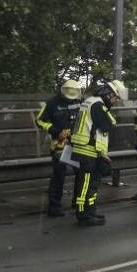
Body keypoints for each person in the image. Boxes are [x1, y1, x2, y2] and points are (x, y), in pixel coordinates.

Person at [70, 80, 127, 226]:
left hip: (90, 150)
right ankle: (83, 216)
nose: (115, 101)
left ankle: (90, 212)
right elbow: (107, 125)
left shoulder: (91, 102)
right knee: (86, 186)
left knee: (92, 184)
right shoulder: (97, 105)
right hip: (86, 150)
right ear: (108, 95)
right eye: (116, 98)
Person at [35, 79, 84, 217]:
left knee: (81, 172)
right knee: (59, 175)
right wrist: (56, 131)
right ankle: (54, 206)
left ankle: (78, 202)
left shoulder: (80, 101)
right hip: (60, 144)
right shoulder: (52, 103)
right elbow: (39, 120)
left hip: (77, 143)